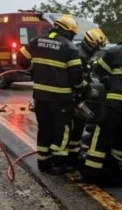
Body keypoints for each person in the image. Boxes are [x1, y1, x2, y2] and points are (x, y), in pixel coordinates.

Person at [16, 14, 83, 175]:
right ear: (68, 31)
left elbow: (21, 59)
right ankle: (59, 164)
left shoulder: (36, 41)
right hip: (61, 99)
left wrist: (33, 68)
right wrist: (81, 88)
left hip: (40, 97)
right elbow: (76, 77)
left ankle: (43, 163)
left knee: (44, 129)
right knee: (62, 130)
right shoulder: (70, 48)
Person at [82, 24, 122, 183]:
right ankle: (114, 169)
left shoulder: (115, 52)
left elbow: (98, 71)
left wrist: (108, 80)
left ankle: (91, 171)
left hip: (114, 103)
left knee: (102, 135)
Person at [67, 28, 107, 168]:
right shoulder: (81, 56)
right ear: (92, 43)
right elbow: (77, 79)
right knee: (74, 130)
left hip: (76, 97)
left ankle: (72, 156)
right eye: (97, 46)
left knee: (76, 130)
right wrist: (89, 89)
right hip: (74, 98)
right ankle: (70, 160)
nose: (97, 49)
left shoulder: (83, 54)